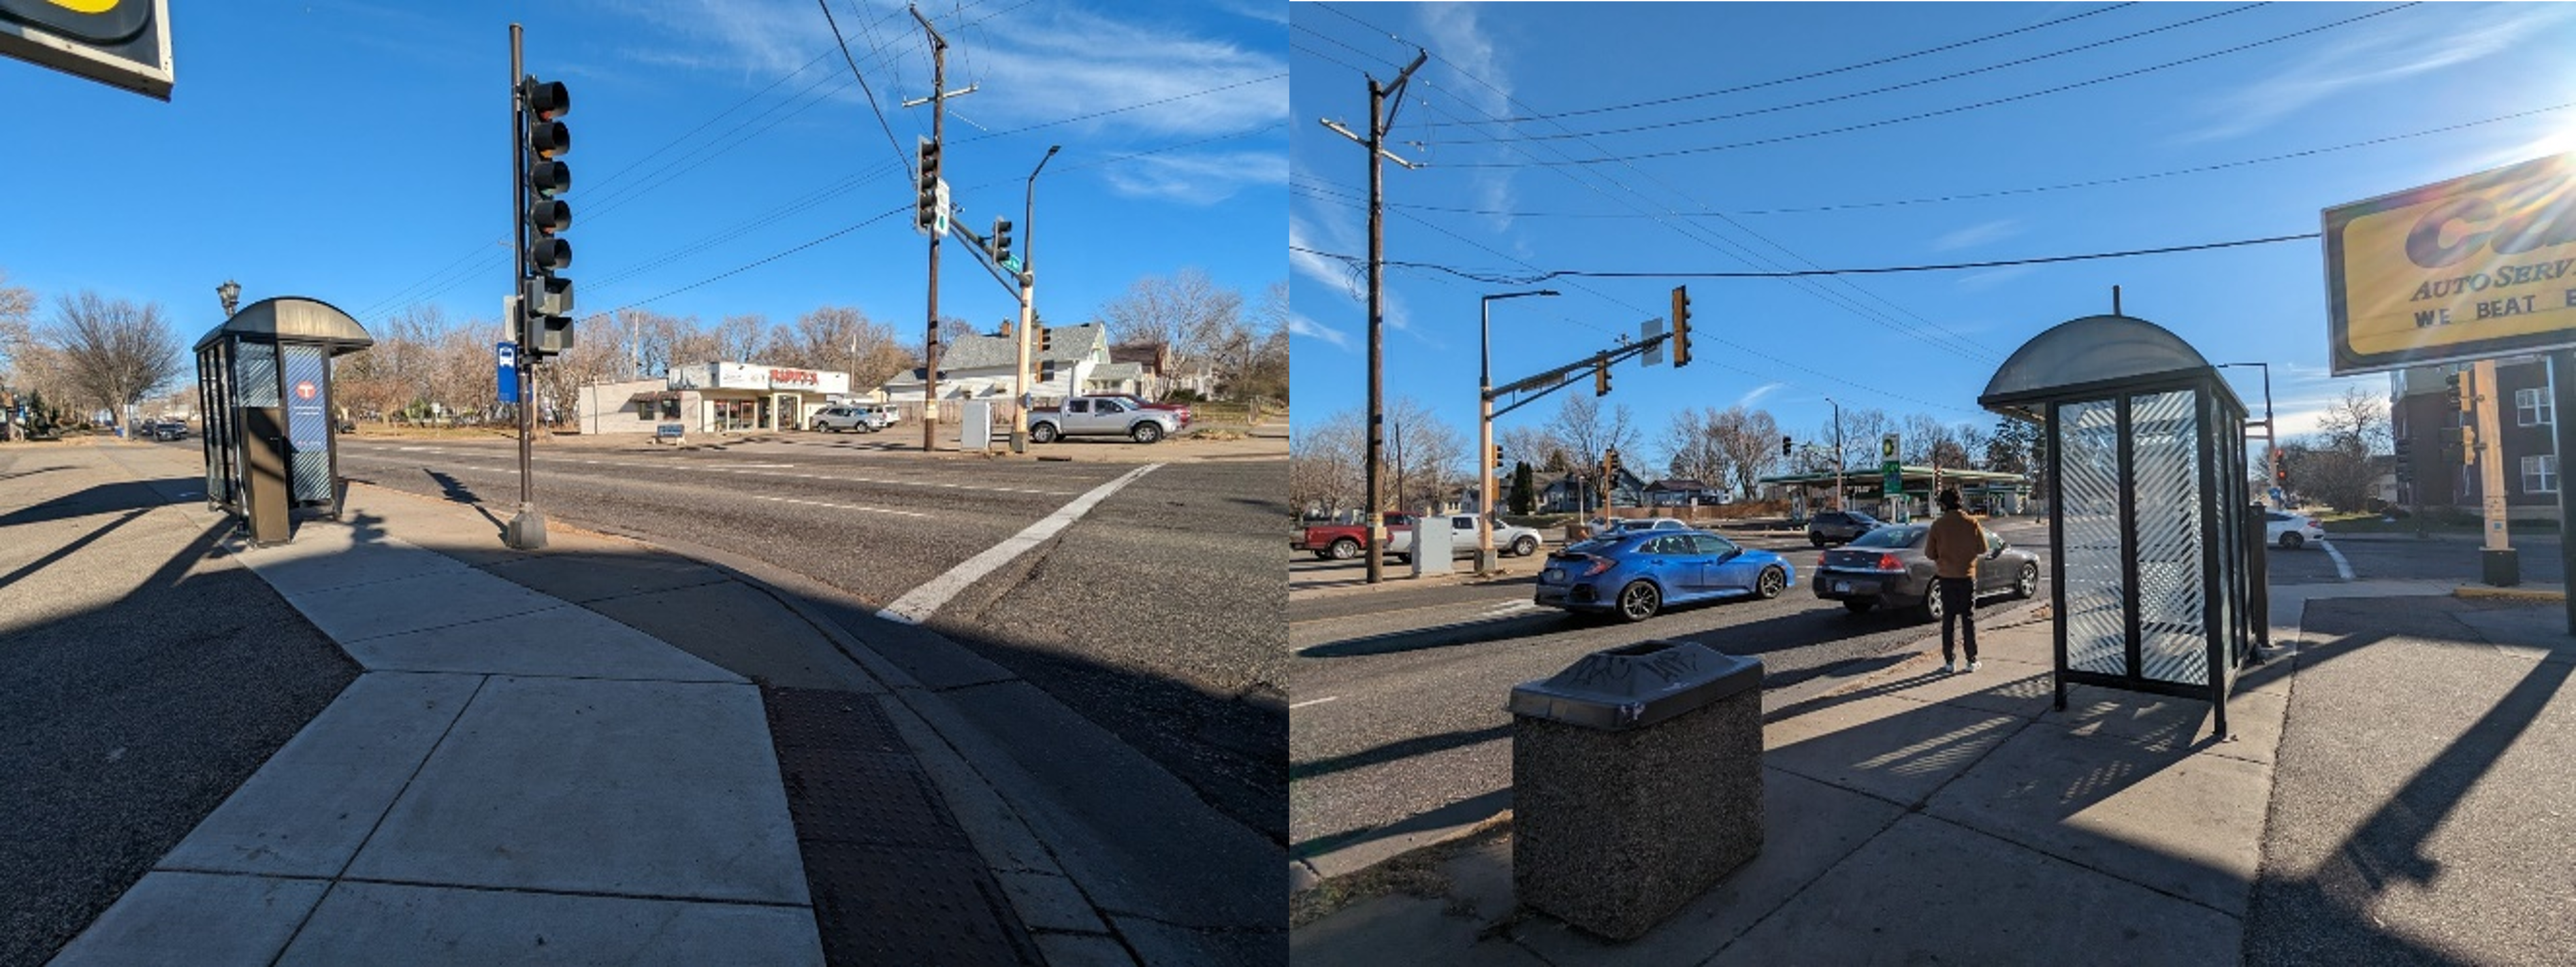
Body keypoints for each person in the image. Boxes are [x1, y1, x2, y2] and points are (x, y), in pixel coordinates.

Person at [1922, 487, 1983, 674]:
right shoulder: (1972, 523)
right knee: (1968, 618)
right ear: (1960, 501)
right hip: (1967, 576)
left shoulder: (1938, 525)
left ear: (1943, 504)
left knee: (1948, 619)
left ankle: (1949, 662)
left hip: (1947, 577)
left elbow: (1929, 553)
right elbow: (1983, 547)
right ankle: (1971, 660)